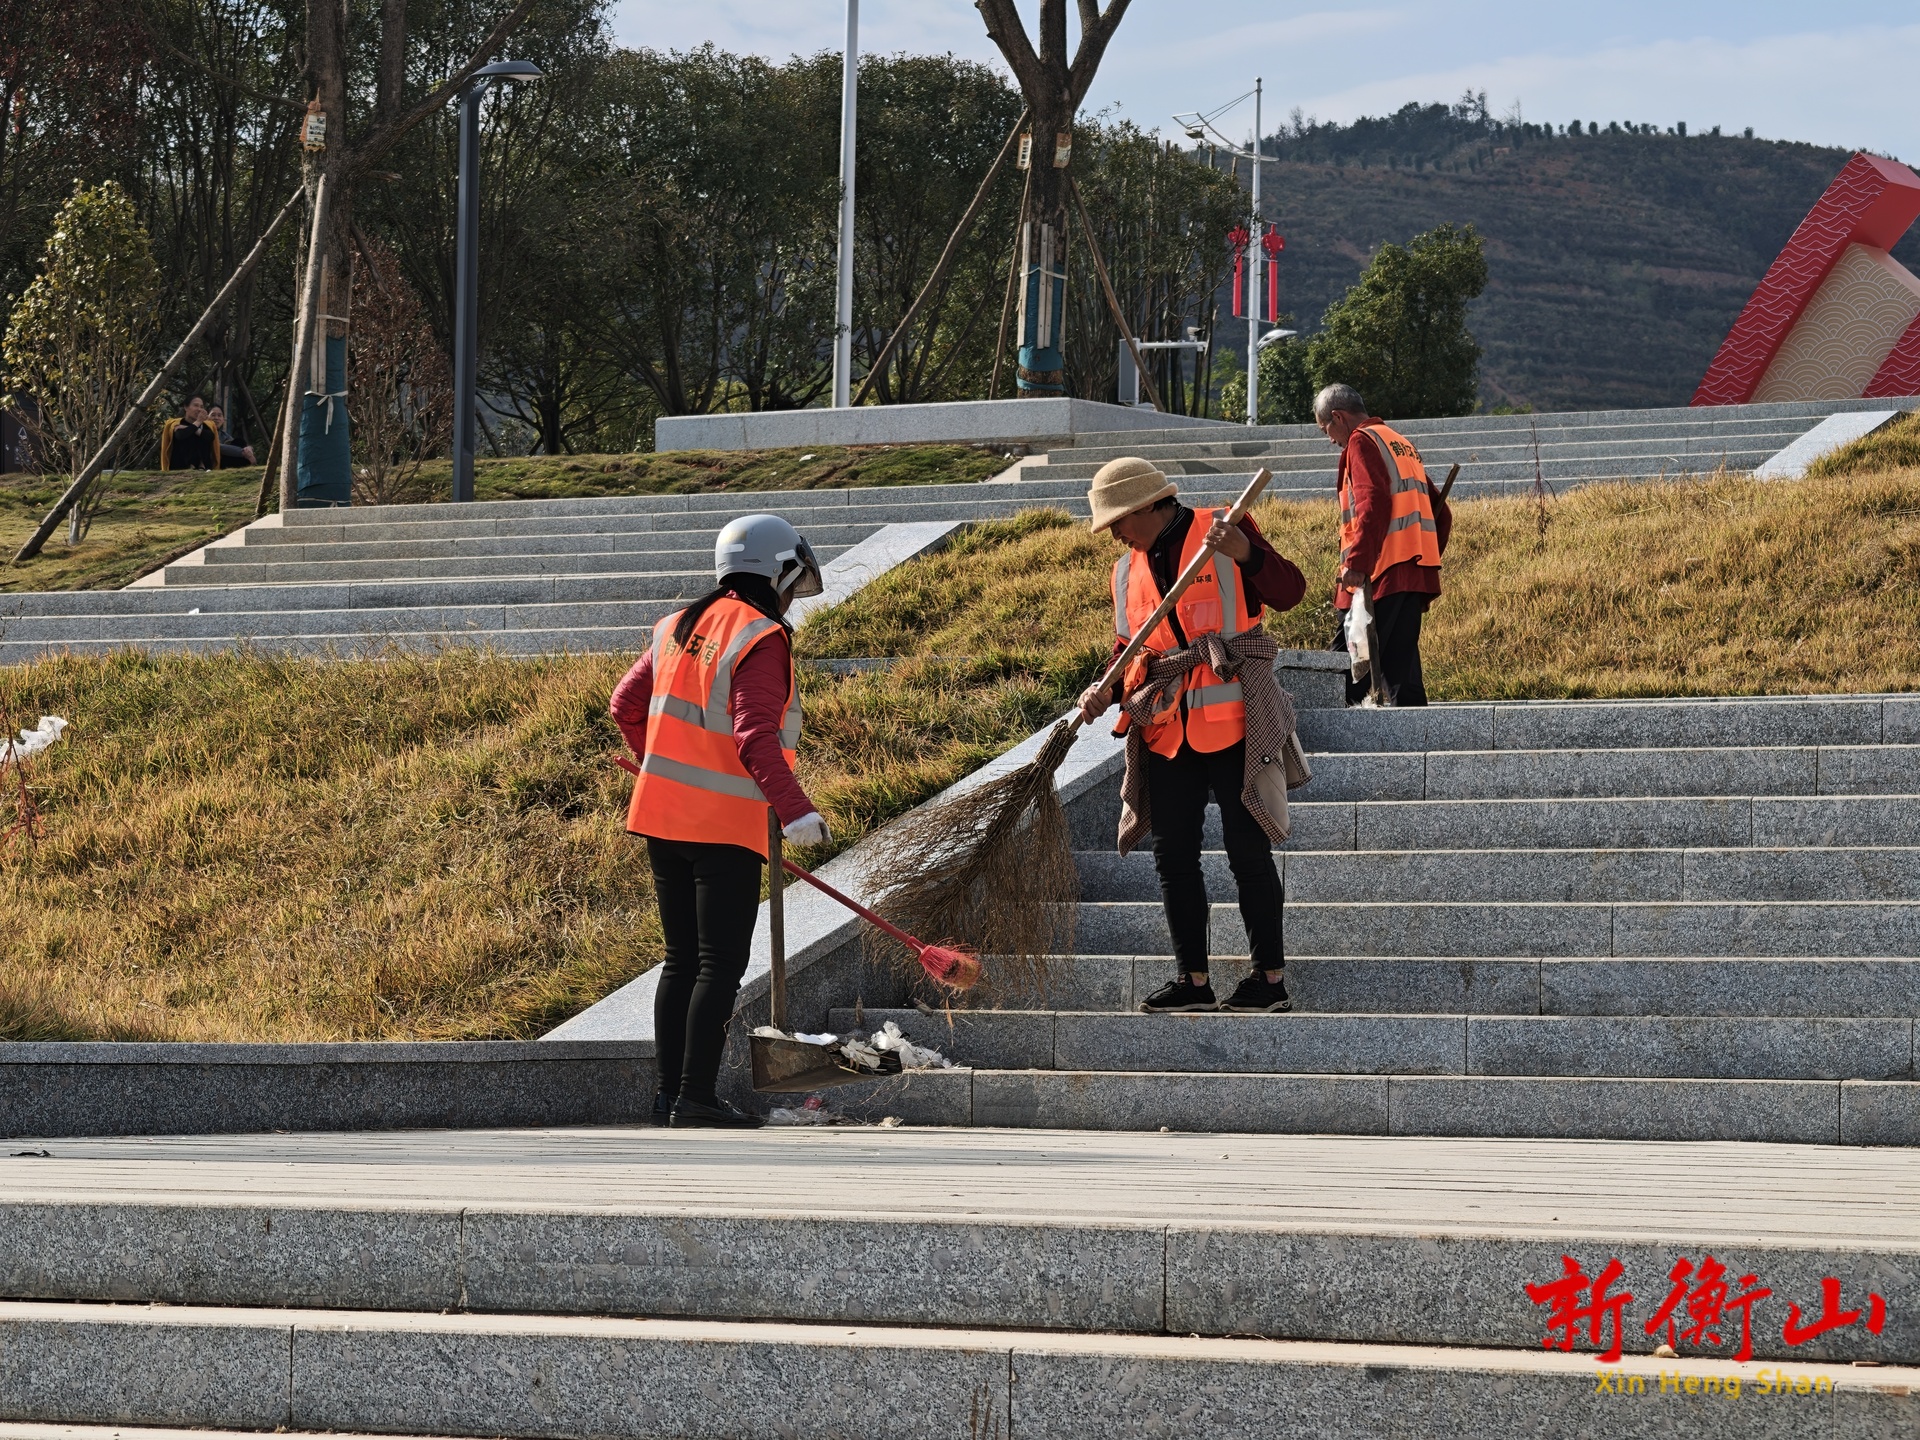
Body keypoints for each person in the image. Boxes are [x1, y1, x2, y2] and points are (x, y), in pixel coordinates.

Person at [610, 514, 830, 1129]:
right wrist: (796, 810)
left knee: (681, 960)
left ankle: (668, 1096)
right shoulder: (761, 635)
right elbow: (755, 734)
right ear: (777, 572)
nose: (793, 597)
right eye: (792, 582)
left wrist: (662, 765)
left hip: (661, 817)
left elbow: (625, 705)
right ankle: (697, 1098)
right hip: (724, 825)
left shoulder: (677, 625)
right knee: (718, 965)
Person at [1075, 458, 1307, 1015]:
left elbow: (1290, 591)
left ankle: (1269, 980)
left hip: (1237, 722)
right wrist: (1105, 688)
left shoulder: (1224, 528)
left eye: (1117, 521)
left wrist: (1246, 553)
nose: (1114, 533)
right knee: (1172, 855)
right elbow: (1129, 649)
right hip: (1167, 729)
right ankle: (1193, 981)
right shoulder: (1124, 571)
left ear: (1147, 506)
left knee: (1247, 850)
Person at [1315, 383, 1451, 707]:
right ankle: (1418, 736)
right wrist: (1422, 561)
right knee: (1402, 674)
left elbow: (1373, 503)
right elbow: (1441, 514)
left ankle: (1327, 736)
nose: (1331, 440)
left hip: (1379, 575)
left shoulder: (1361, 441)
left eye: (1326, 430)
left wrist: (1358, 563)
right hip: (1411, 573)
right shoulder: (1399, 442)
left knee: (1346, 673)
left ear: (1338, 417)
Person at [159, 396, 219, 471]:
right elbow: (181, 435)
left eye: (201, 407)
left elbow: (210, 437)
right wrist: (197, 422)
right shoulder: (177, 423)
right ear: (186, 407)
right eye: (196, 405)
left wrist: (190, 427)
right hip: (180, 468)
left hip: (204, 470)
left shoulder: (207, 425)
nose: (199, 409)